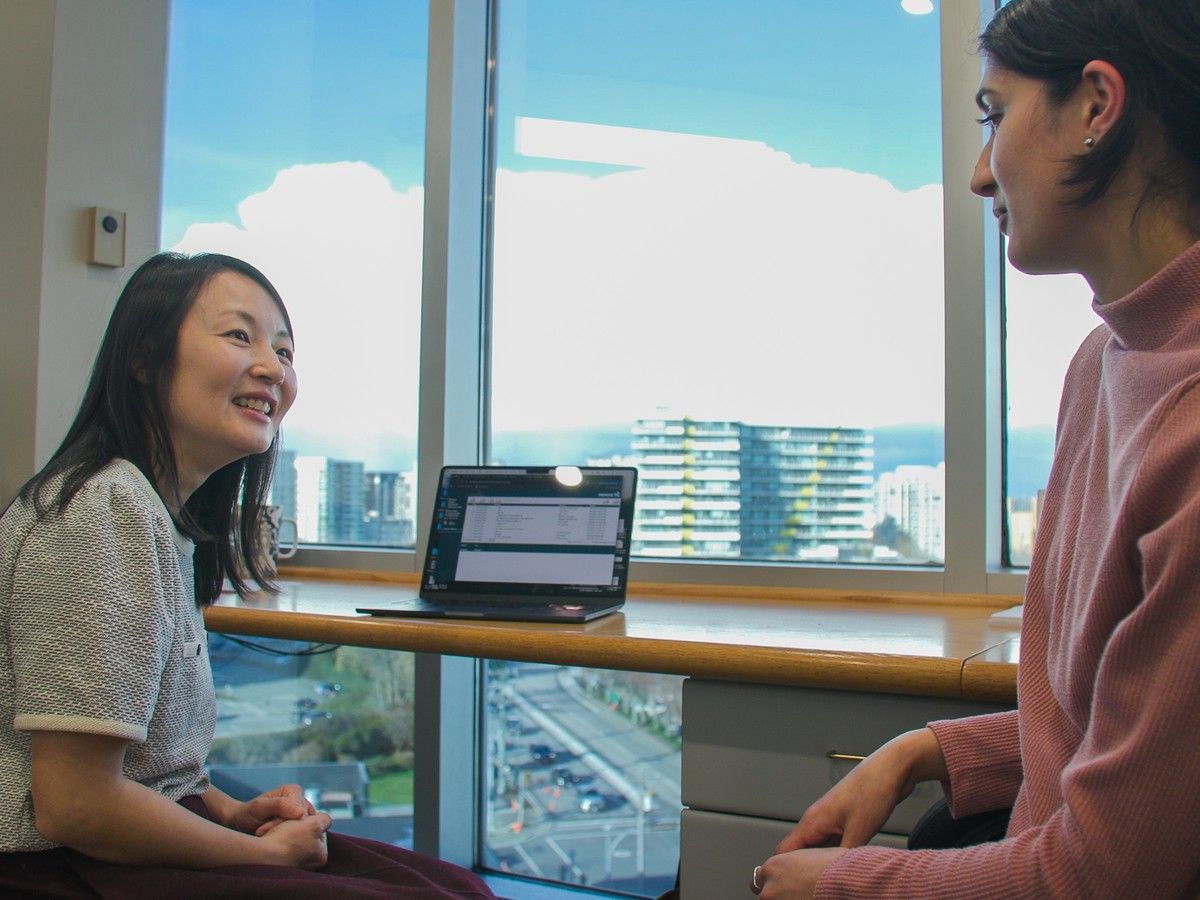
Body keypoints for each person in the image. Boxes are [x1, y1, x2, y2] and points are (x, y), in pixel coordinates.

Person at [750, 0, 1200, 897]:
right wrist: (931, 750)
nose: (978, 176)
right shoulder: (1103, 363)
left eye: (995, 118)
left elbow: (1112, 873)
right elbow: (1130, 734)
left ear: (1096, 106)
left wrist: (840, 887)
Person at [0, 252, 494, 898]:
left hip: (126, 841)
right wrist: (261, 857)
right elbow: (75, 805)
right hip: (58, 864)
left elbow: (144, 769)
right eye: (240, 336)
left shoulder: (154, 512)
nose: (273, 367)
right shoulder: (104, 509)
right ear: (144, 359)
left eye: (285, 351)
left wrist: (231, 813)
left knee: (455, 885)